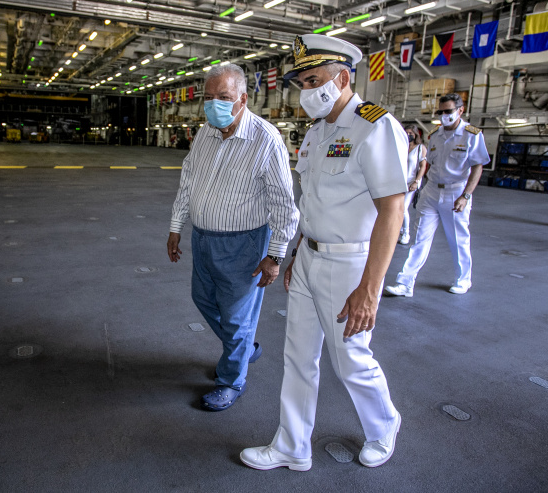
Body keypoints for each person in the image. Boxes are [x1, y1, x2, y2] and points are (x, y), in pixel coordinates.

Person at [240, 34, 407, 472]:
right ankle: (292, 446)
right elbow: (310, 203)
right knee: (297, 357)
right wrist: (297, 253)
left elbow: (392, 208)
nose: (306, 90)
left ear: (343, 77)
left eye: (314, 79)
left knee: (350, 359)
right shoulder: (318, 133)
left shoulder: (375, 125)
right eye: (301, 82)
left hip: (350, 265)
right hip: (310, 259)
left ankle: (384, 425)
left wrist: (371, 287)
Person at [167, 63, 299, 412]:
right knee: (203, 299)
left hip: (244, 244)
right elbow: (188, 181)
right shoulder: (204, 133)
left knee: (238, 317)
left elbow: (284, 203)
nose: (214, 105)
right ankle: (244, 348)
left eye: (223, 98)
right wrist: (176, 226)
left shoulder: (265, 139)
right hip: (204, 238)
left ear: (242, 99)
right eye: (208, 98)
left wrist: (274, 255)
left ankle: (231, 380)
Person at [384, 93, 490, 297]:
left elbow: (478, 166)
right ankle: (405, 283)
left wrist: (466, 196)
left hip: (456, 191)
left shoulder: (472, 135)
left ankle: (463, 279)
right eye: (440, 112)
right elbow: (429, 163)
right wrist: (419, 185)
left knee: (458, 239)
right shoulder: (435, 134)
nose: (443, 115)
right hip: (431, 191)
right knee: (420, 239)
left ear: (460, 110)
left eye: (448, 111)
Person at [400, 124, 427, 245]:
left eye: (411, 133)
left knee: (404, 208)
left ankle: (406, 233)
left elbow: (423, 166)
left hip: (411, 181)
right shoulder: (402, 146)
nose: (408, 135)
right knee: (397, 207)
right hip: (399, 180)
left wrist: (416, 181)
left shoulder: (420, 148)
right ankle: (399, 229)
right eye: (406, 133)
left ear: (416, 134)